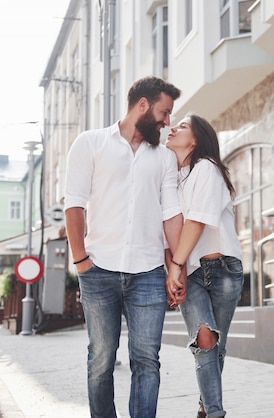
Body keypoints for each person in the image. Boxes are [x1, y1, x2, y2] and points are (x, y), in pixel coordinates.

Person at [64, 76, 184, 418]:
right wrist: (81, 261)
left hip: (147, 273)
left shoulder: (163, 158)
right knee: (101, 359)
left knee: (147, 359)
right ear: (142, 105)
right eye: (163, 112)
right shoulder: (90, 144)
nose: (167, 121)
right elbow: (74, 205)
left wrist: (178, 268)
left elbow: (171, 214)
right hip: (98, 270)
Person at [165, 114, 244, 418]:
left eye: (182, 126)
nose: (173, 129)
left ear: (196, 139)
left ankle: (204, 406)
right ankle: (214, 412)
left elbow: (197, 221)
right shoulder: (173, 181)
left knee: (215, 347)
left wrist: (175, 266)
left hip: (222, 268)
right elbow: (167, 231)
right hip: (191, 273)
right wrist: (173, 272)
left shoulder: (207, 168)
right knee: (205, 341)